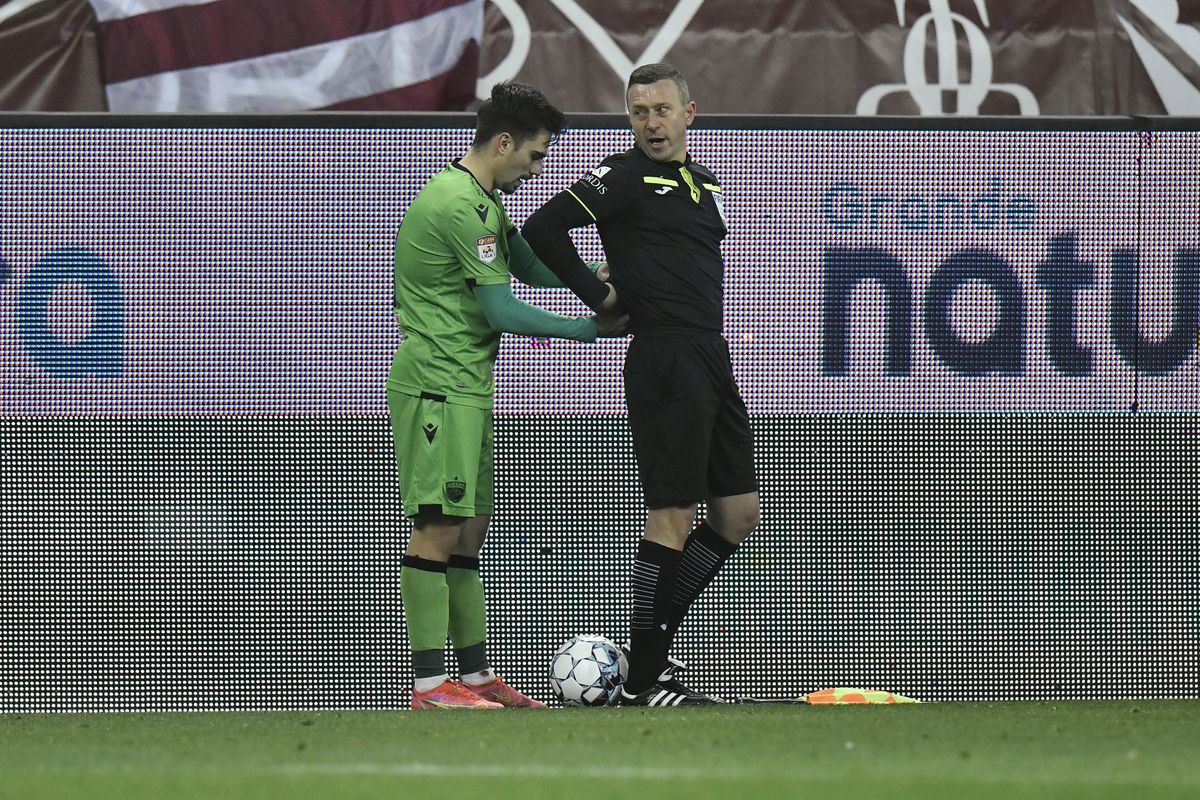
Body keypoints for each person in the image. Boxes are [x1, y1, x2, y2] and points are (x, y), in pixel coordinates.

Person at [522, 63, 760, 707]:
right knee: (672, 517)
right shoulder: (622, 176)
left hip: (711, 354)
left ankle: (643, 652)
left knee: (737, 513)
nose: (650, 121)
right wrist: (598, 292)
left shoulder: (703, 185)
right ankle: (650, 677)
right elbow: (540, 229)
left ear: (690, 112)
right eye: (638, 111)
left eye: (661, 109)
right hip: (663, 358)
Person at [389, 81, 626, 710]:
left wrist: (593, 280)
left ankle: (472, 677)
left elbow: (529, 265)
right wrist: (590, 325)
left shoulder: (484, 201)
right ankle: (429, 684)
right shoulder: (457, 206)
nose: (538, 167)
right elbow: (500, 307)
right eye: (536, 155)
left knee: (466, 533)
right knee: (437, 530)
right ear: (503, 143)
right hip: (437, 386)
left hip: (467, 387)